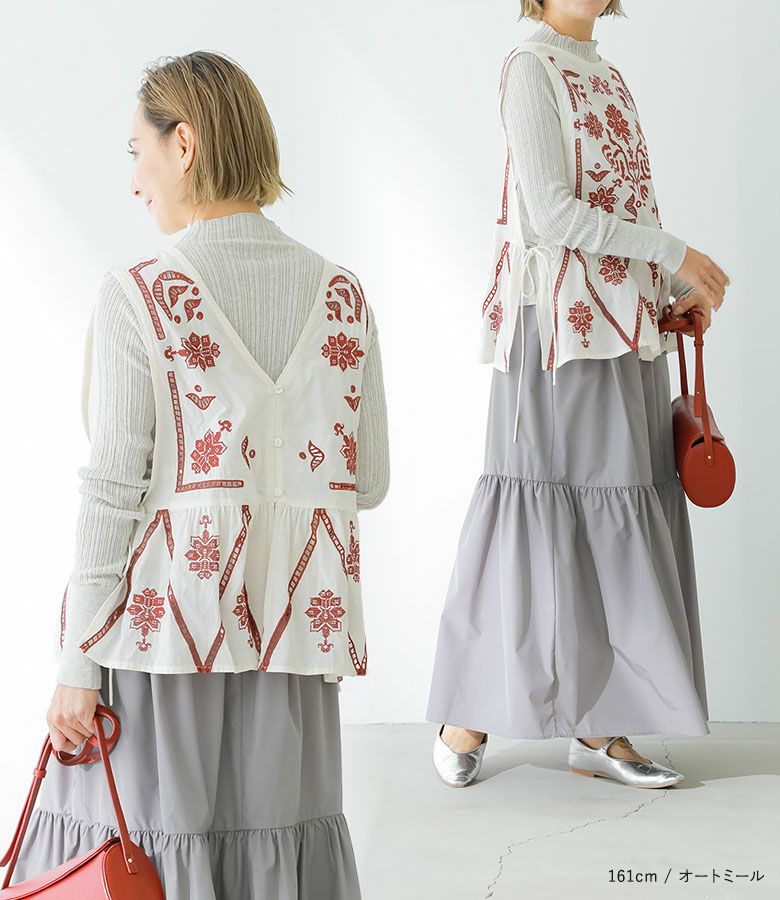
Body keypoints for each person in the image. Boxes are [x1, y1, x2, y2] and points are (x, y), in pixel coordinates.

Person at [8, 50, 389, 897]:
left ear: (182, 144)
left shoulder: (138, 294)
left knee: (149, 856)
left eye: (136, 151)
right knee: (277, 855)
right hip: (293, 647)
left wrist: (77, 663)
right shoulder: (343, 295)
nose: (133, 180)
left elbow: (114, 490)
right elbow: (366, 482)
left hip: (165, 643)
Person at [426, 0, 728, 789]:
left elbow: (623, 212)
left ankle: (599, 729)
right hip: (557, 331)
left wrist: (669, 289)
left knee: (610, 516)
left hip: (623, 329)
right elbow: (554, 213)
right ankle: (469, 710)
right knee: (537, 512)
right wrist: (677, 253)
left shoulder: (608, 75)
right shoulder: (531, 67)